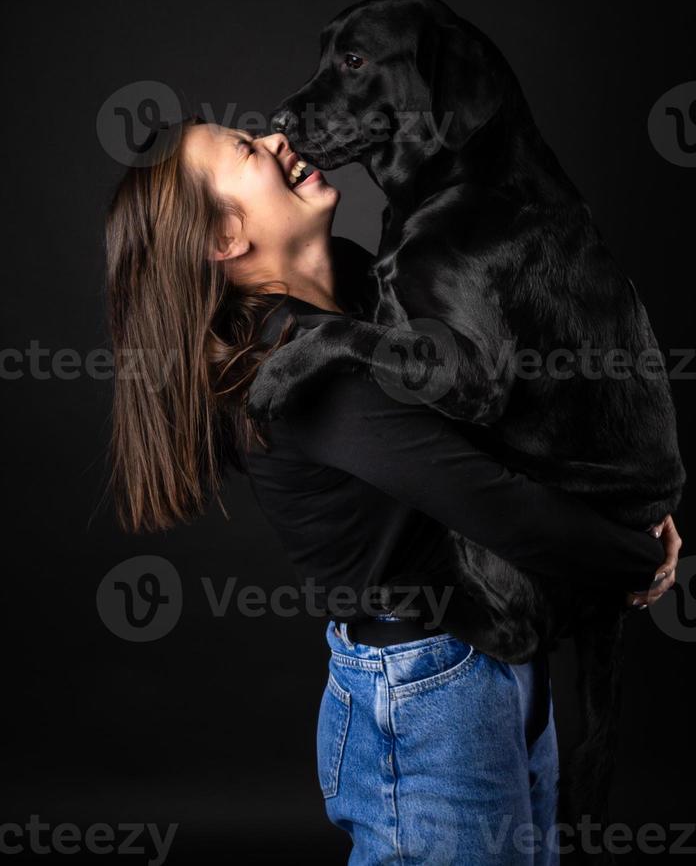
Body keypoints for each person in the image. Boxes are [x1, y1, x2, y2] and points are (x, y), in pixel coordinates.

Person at [105, 118, 681, 865]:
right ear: (224, 239)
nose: (278, 139)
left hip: (495, 653)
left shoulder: (354, 280)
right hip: (429, 692)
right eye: (248, 151)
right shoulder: (293, 377)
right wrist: (635, 558)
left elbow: (500, 409)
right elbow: (492, 498)